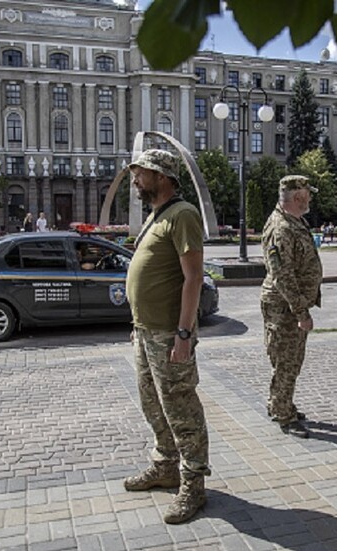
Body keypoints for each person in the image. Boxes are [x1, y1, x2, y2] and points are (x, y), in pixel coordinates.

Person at [123, 149, 210, 524]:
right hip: (145, 332)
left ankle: (193, 483)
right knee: (152, 405)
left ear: (161, 176)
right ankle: (166, 466)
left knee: (180, 408)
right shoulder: (156, 216)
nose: (135, 180)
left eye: (140, 173)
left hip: (169, 334)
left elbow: (193, 278)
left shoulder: (183, 214)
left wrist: (185, 334)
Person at [261, 175, 323, 439]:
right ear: (298, 197)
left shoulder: (294, 221)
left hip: (290, 304)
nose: (310, 198)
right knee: (287, 361)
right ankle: (284, 414)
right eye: (308, 194)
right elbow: (282, 275)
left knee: (290, 360)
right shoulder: (282, 228)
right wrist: (301, 312)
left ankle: (280, 402)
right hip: (284, 306)